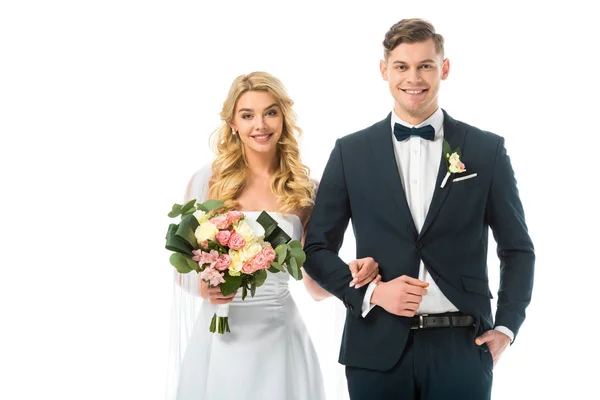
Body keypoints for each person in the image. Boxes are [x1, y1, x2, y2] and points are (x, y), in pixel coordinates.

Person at [303, 18, 535, 399]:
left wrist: (508, 328)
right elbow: (315, 251)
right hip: (374, 348)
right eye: (402, 66)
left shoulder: (485, 150)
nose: (414, 77)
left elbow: (517, 249)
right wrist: (372, 294)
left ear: (444, 68)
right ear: (384, 70)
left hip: (463, 347)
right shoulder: (350, 152)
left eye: (426, 65)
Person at [166, 71, 381, 400]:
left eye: (270, 112)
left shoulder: (305, 192)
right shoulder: (207, 183)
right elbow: (182, 272)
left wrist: (349, 275)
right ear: (233, 123)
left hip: (279, 337)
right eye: (247, 115)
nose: (260, 125)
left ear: (283, 117)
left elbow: (313, 285)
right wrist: (207, 288)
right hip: (220, 337)